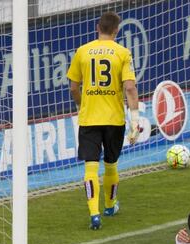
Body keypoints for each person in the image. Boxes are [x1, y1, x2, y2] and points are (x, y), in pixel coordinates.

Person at [67, 11, 140, 230]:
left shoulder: (82, 51)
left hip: (89, 119)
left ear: (97, 27)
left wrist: (82, 105)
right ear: (116, 31)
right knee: (110, 165)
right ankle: (110, 206)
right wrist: (134, 121)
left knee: (90, 167)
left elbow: (73, 87)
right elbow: (130, 88)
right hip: (114, 119)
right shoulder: (123, 53)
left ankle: (94, 214)